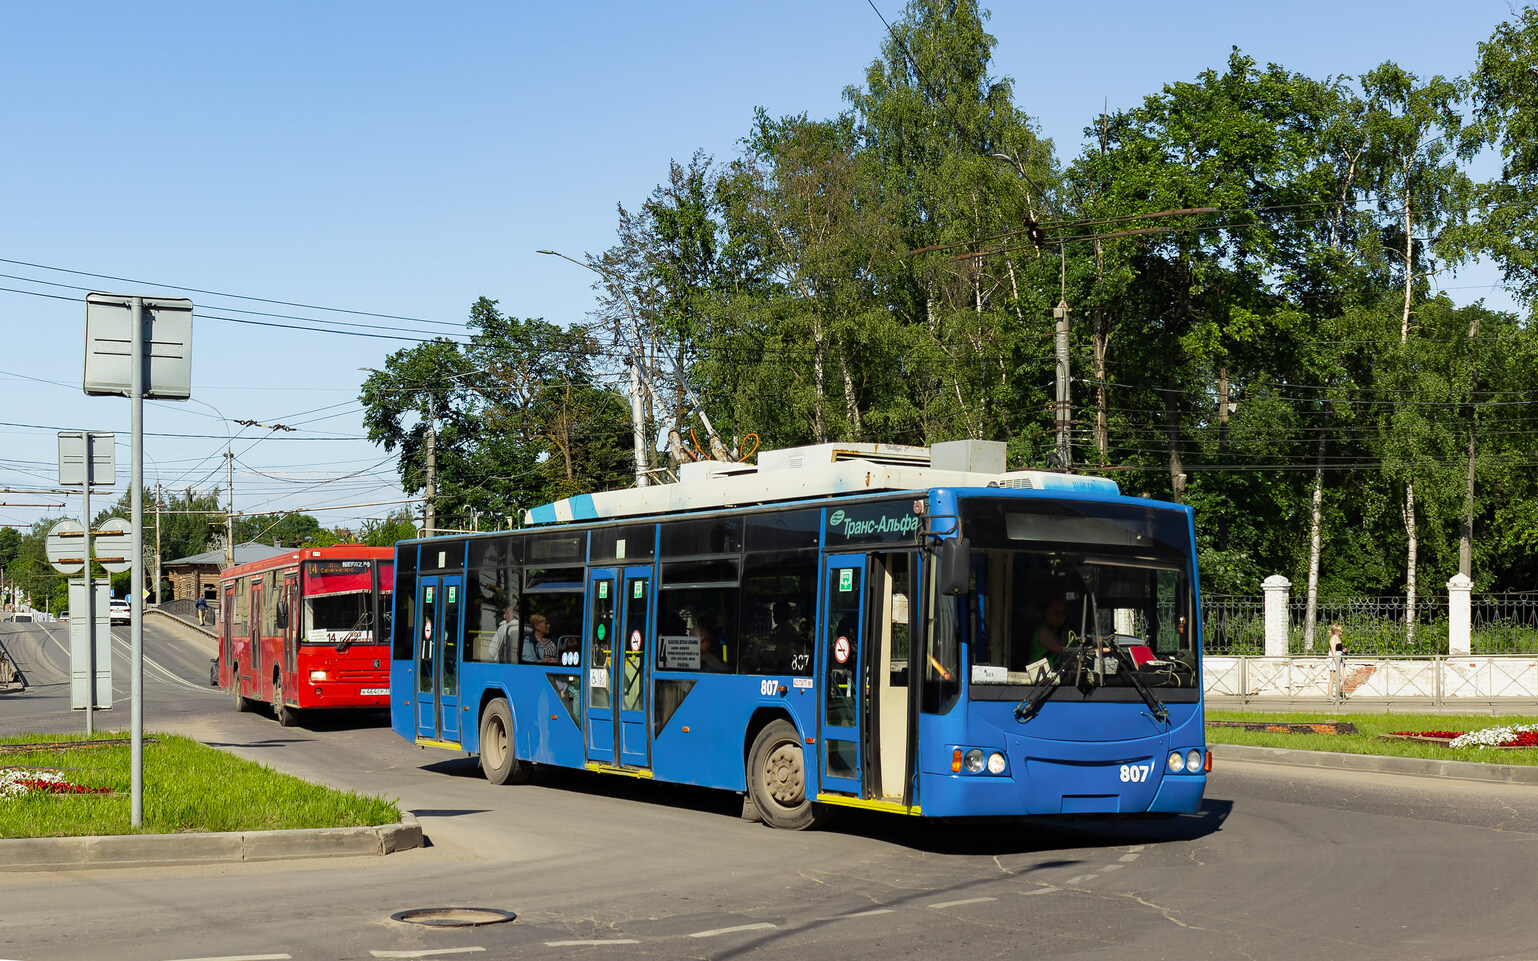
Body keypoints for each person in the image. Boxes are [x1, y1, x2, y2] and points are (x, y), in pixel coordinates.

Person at [1028, 598, 1068, 666]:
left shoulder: (1066, 631)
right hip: (1039, 675)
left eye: (1063, 613)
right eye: (1056, 612)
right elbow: (1060, 648)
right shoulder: (1041, 630)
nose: (1060, 616)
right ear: (1046, 613)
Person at [1327, 624, 1346, 701]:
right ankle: (1330, 696)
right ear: (1336, 631)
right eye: (1340, 630)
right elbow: (1333, 650)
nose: (1342, 631)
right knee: (1333, 678)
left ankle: (1337, 693)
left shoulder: (1338, 638)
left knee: (1345, 677)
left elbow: (1338, 649)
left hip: (1339, 658)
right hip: (1334, 659)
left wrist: (1343, 650)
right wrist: (1335, 660)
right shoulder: (1333, 639)